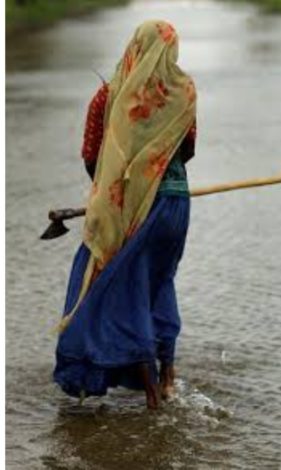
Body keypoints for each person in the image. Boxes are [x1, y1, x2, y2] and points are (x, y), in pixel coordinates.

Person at [54, 20, 197, 409]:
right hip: (176, 204)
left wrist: (112, 192)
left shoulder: (109, 95)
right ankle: (167, 378)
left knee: (113, 286)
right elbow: (187, 150)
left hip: (129, 207)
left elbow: (91, 155)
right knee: (159, 281)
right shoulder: (184, 92)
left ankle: (150, 397)